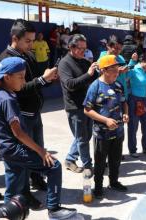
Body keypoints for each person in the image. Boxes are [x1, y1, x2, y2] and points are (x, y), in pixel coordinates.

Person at [0, 57, 77, 219]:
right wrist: (41, 151)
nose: (24, 81)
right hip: (15, 149)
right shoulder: (8, 99)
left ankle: (3, 215)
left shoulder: (1, 93)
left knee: (14, 185)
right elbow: (18, 133)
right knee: (54, 166)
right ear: (7, 77)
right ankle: (54, 209)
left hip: (7, 149)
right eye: (21, 77)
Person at [0, 18, 58, 208]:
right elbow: (19, 89)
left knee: (37, 150)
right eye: (28, 41)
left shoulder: (28, 55)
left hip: (34, 114)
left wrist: (48, 77)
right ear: (15, 38)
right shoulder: (6, 59)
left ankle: (36, 180)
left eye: (33, 41)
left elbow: (34, 81)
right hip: (21, 116)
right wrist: (42, 80)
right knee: (21, 160)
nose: (32, 45)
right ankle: (20, 197)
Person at [83, 55, 129, 199]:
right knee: (100, 162)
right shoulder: (95, 86)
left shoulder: (118, 85)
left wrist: (125, 114)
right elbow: (87, 110)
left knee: (115, 160)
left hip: (119, 131)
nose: (117, 71)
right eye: (113, 69)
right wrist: (105, 120)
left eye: (117, 68)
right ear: (103, 70)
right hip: (102, 133)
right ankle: (98, 187)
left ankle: (114, 182)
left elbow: (124, 102)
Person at [58, 34, 98, 173]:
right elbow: (70, 84)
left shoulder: (84, 61)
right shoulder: (64, 63)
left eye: (85, 49)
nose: (83, 52)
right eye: (80, 48)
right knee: (82, 138)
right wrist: (88, 74)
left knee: (85, 136)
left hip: (87, 105)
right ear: (71, 47)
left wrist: (102, 71)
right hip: (74, 107)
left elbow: (94, 79)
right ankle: (88, 165)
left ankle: (70, 159)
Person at [126, 52, 146, 158]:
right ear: (142, 60)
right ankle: (133, 150)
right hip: (133, 99)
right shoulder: (134, 70)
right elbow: (124, 76)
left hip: (145, 100)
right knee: (133, 126)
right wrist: (131, 62)